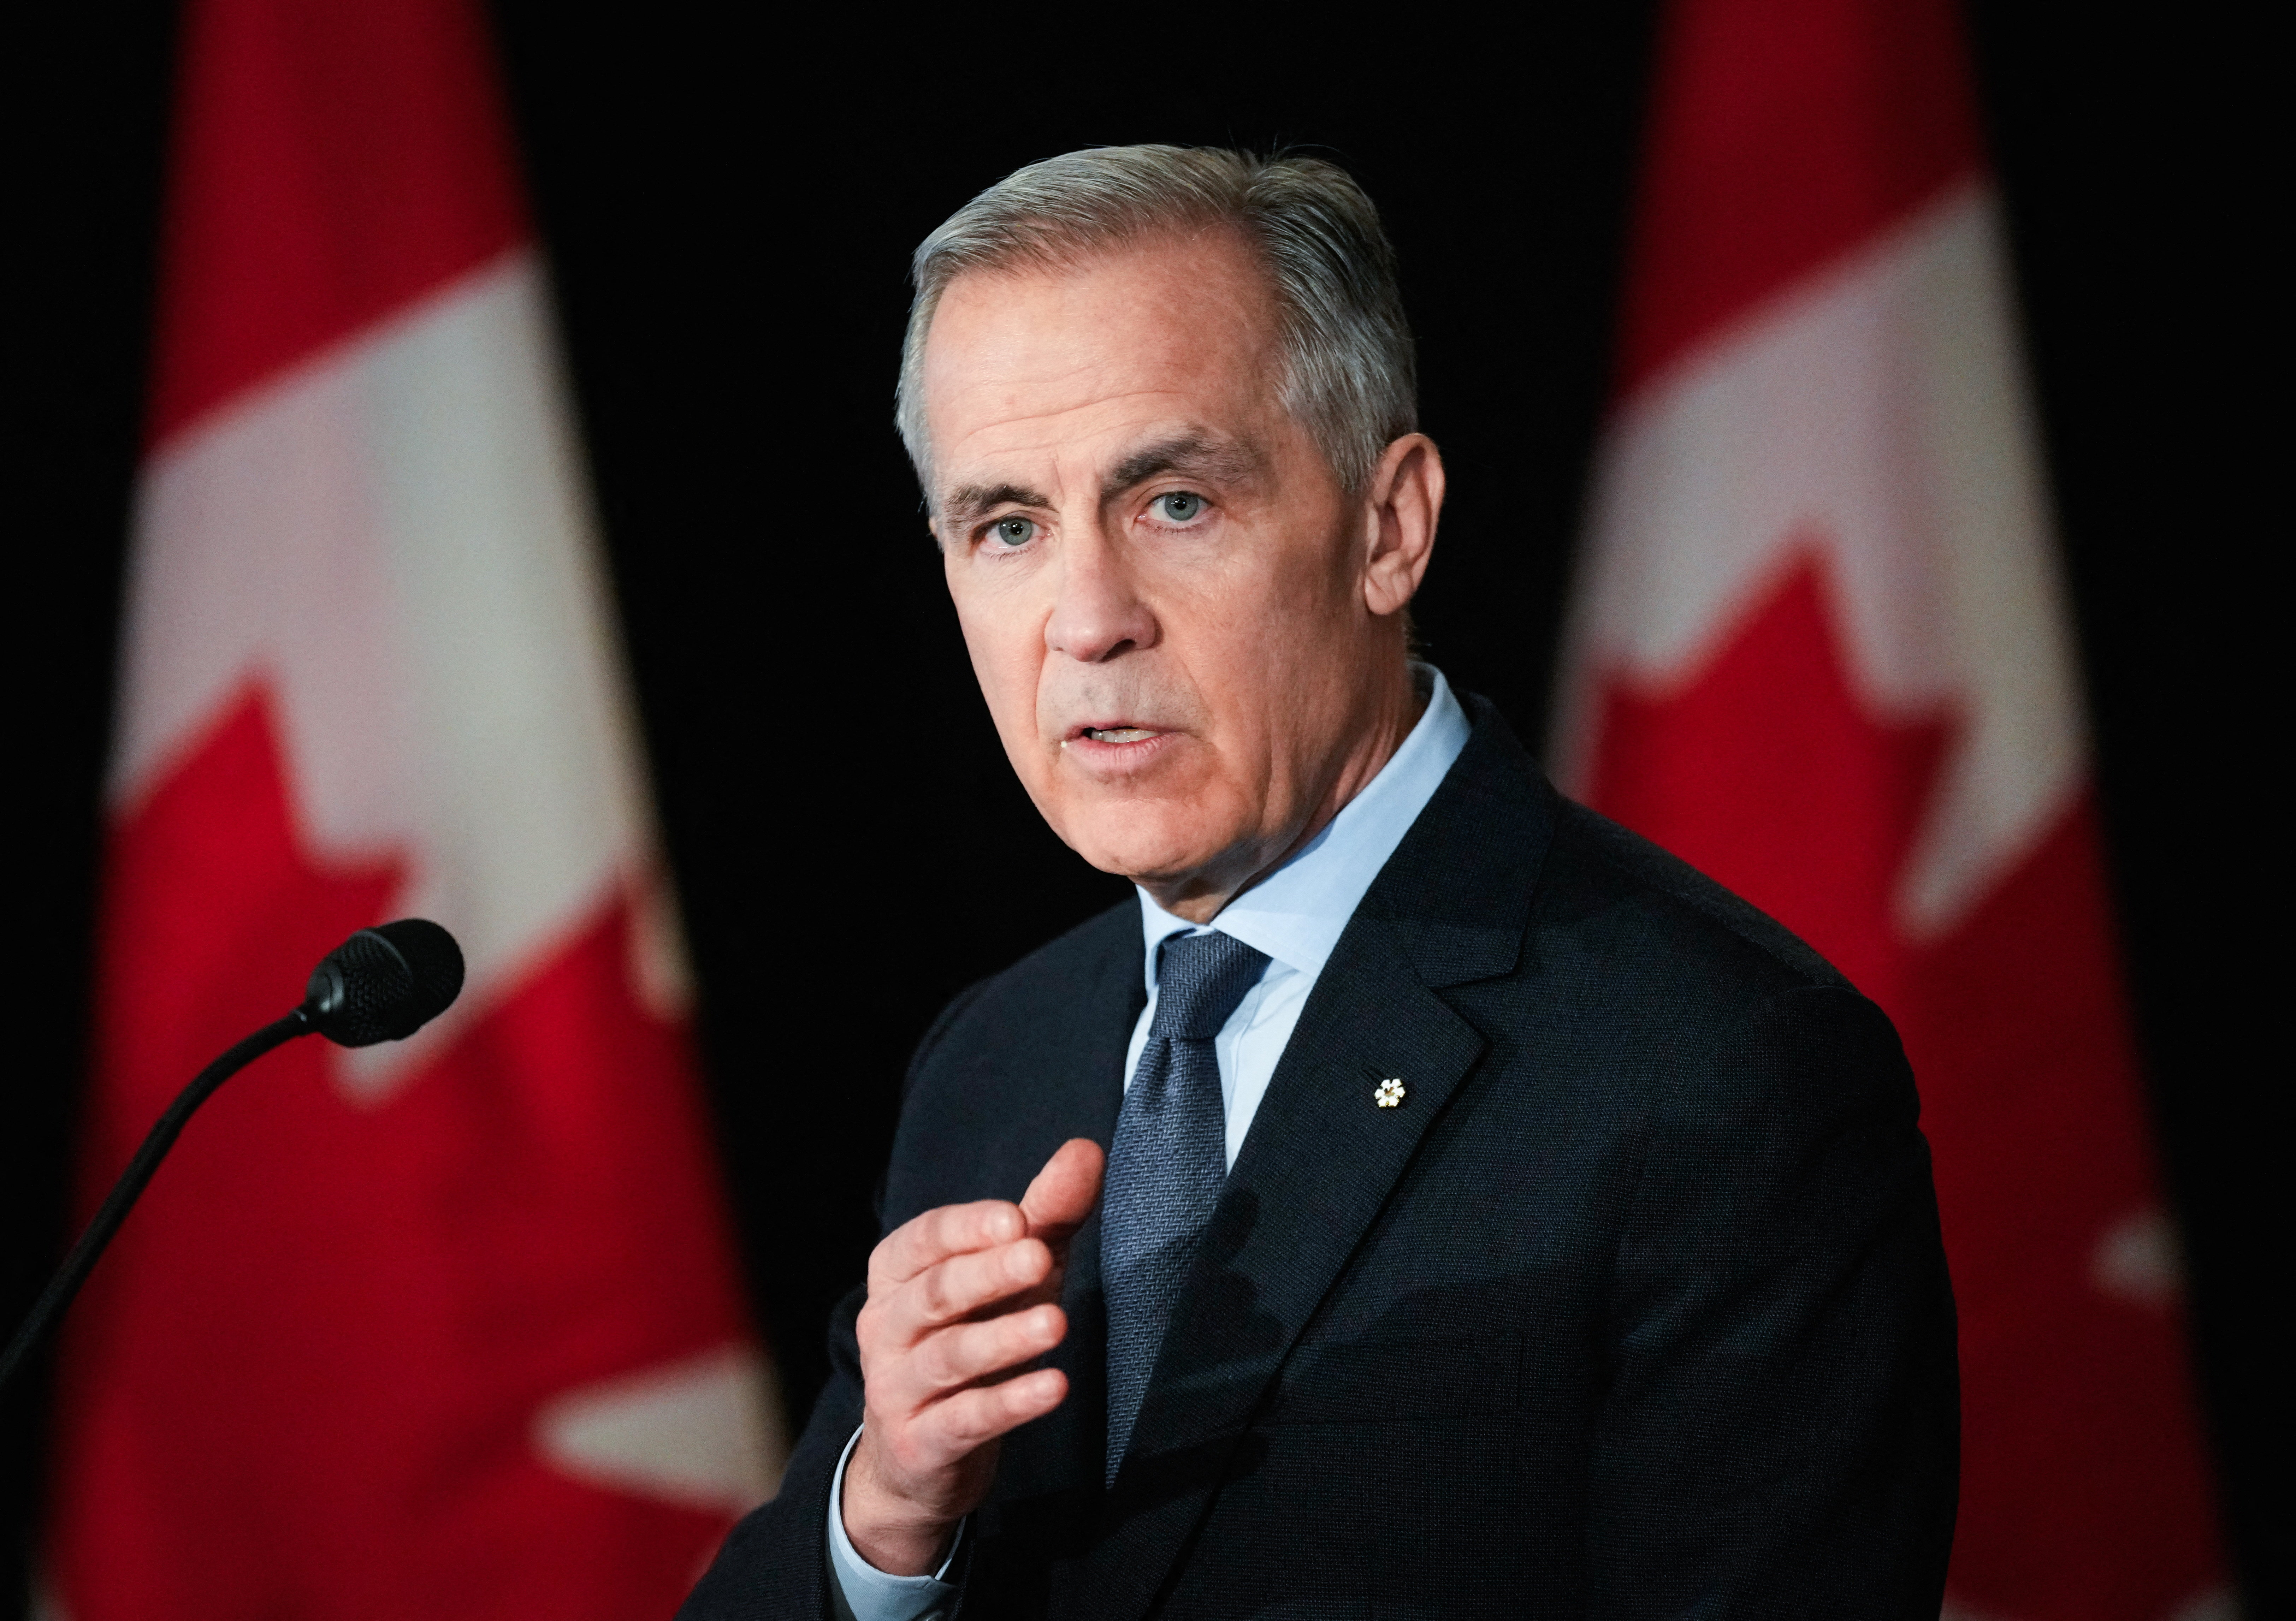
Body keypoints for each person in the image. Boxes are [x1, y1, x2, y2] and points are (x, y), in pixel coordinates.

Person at [682, 146, 1957, 1621]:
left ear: (1385, 526)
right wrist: (887, 1520)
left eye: (1171, 502)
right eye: (1009, 525)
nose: (1085, 622)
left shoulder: (1723, 1074)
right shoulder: (995, 1056)